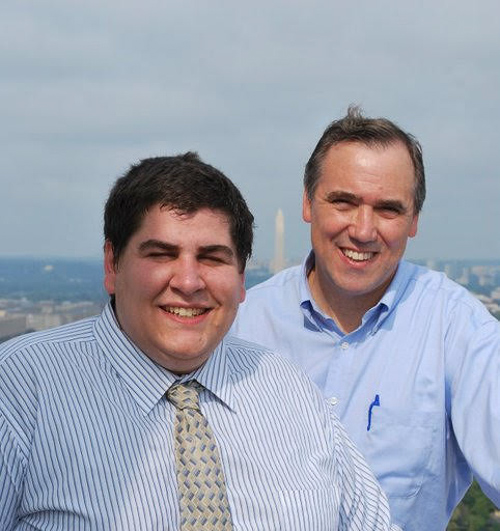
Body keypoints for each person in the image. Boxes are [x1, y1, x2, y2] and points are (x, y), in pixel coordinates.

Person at [0, 152, 398, 530]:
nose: (188, 282)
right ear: (112, 264)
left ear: (242, 280)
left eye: (212, 258)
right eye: (161, 254)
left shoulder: (290, 390)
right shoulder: (20, 389)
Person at [232, 107, 500, 530]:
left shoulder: (456, 329)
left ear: (414, 221)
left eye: (388, 210)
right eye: (344, 201)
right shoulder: (239, 324)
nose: (362, 229)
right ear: (307, 203)